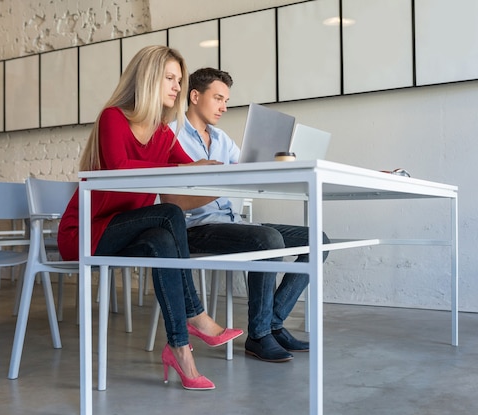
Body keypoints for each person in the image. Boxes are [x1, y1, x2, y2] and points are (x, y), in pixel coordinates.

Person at [57, 46, 243, 390]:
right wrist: (182, 166)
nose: (176, 87)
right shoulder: (113, 117)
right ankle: (197, 316)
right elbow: (119, 168)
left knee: (161, 240)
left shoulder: (161, 133)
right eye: (169, 78)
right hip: (85, 233)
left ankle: (180, 350)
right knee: (169, 213)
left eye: (178, 79)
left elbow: (189, 167)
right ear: (147, 79)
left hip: (126, 231)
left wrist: (227, 170)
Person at [163, 67, 330, 363]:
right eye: (218, 98)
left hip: (232, 223)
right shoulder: (170, 135)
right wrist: (230, 179)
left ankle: (272, 323)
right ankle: (259, 335)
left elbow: (249, 172)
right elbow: (171, 197)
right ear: (195, 96)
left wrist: (279, 163)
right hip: (195, 227)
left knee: (319, 240)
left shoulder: (222, 138)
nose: (224, 107)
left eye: (226, 100)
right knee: (267, 239)